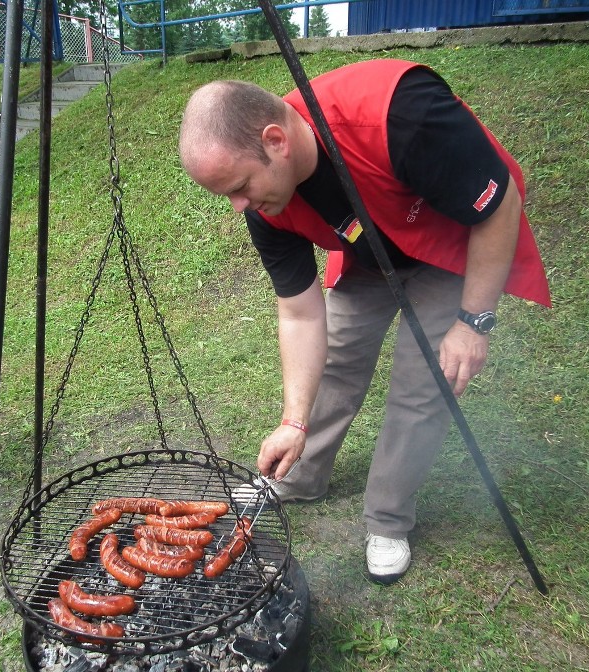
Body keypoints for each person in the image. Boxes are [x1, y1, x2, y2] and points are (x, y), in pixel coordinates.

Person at [178, 59, 550, 584]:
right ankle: (301, 474)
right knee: (338, 356)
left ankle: (388, 517)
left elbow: (498, 203)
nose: (240, 207)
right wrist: (292, 420)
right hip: (371, 254)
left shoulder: (403, 113)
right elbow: (302, 313)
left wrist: (473, 322)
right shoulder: (265, 206)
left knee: (424, 381)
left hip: (453, 250)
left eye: (240, 186)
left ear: (276, 140)